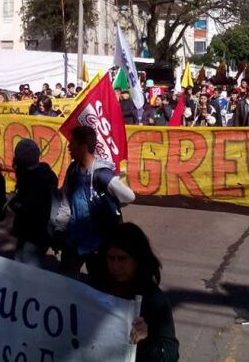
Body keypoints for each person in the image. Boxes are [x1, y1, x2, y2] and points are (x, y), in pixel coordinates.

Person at [60, 126, 135, 282]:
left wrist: (109, 201)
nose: (69, 147)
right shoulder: (72, 170)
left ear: (84, 147)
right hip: (74, 240)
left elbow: (129, 196)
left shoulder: (102, 174)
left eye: (72, 143)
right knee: (66, 284)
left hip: (99, 245)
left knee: (100, 286)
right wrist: (59, 229)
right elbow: (66, 202)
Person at [98, 223, 180, 362]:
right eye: (111, 258)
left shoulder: (154, 300)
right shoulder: (97, 288)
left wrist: (145, 340)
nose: (115, 266)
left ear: (137, 260)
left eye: (122, 258)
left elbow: (170, 355)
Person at [10, 139, 58, 267]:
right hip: (35, 234)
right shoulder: (42, 174)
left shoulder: (34, 179)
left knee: (26, 270)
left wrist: (14, 203)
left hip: (34, 234)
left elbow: (30, 209)